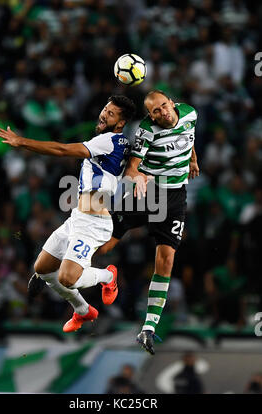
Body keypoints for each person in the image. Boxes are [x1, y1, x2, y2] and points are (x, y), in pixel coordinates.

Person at [0, 95, 136, 332]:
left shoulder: (109, 141)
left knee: (66, 278)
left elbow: (61, 150)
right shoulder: (113, 142)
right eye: (104, 108)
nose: (103, 114)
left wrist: (22, 142)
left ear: (121, 123)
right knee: (42, 269)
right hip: (78, 218)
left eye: (111, 114)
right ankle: (82, 310)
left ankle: (107, 277)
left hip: (94, 223)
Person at [98, 90, 199, 354]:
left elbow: (189, 138)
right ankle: (76, 267)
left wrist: (193, 159)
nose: (162, 113)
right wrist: (135, 176)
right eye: (155, 111)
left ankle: (148, 328)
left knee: (166, 260)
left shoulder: (189, 113)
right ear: (150, 115)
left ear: (172, 103)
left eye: (164, 106)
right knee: (106, 244)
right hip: (148, 192)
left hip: (175, 197)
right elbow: (134, 163)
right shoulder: (147, 130)